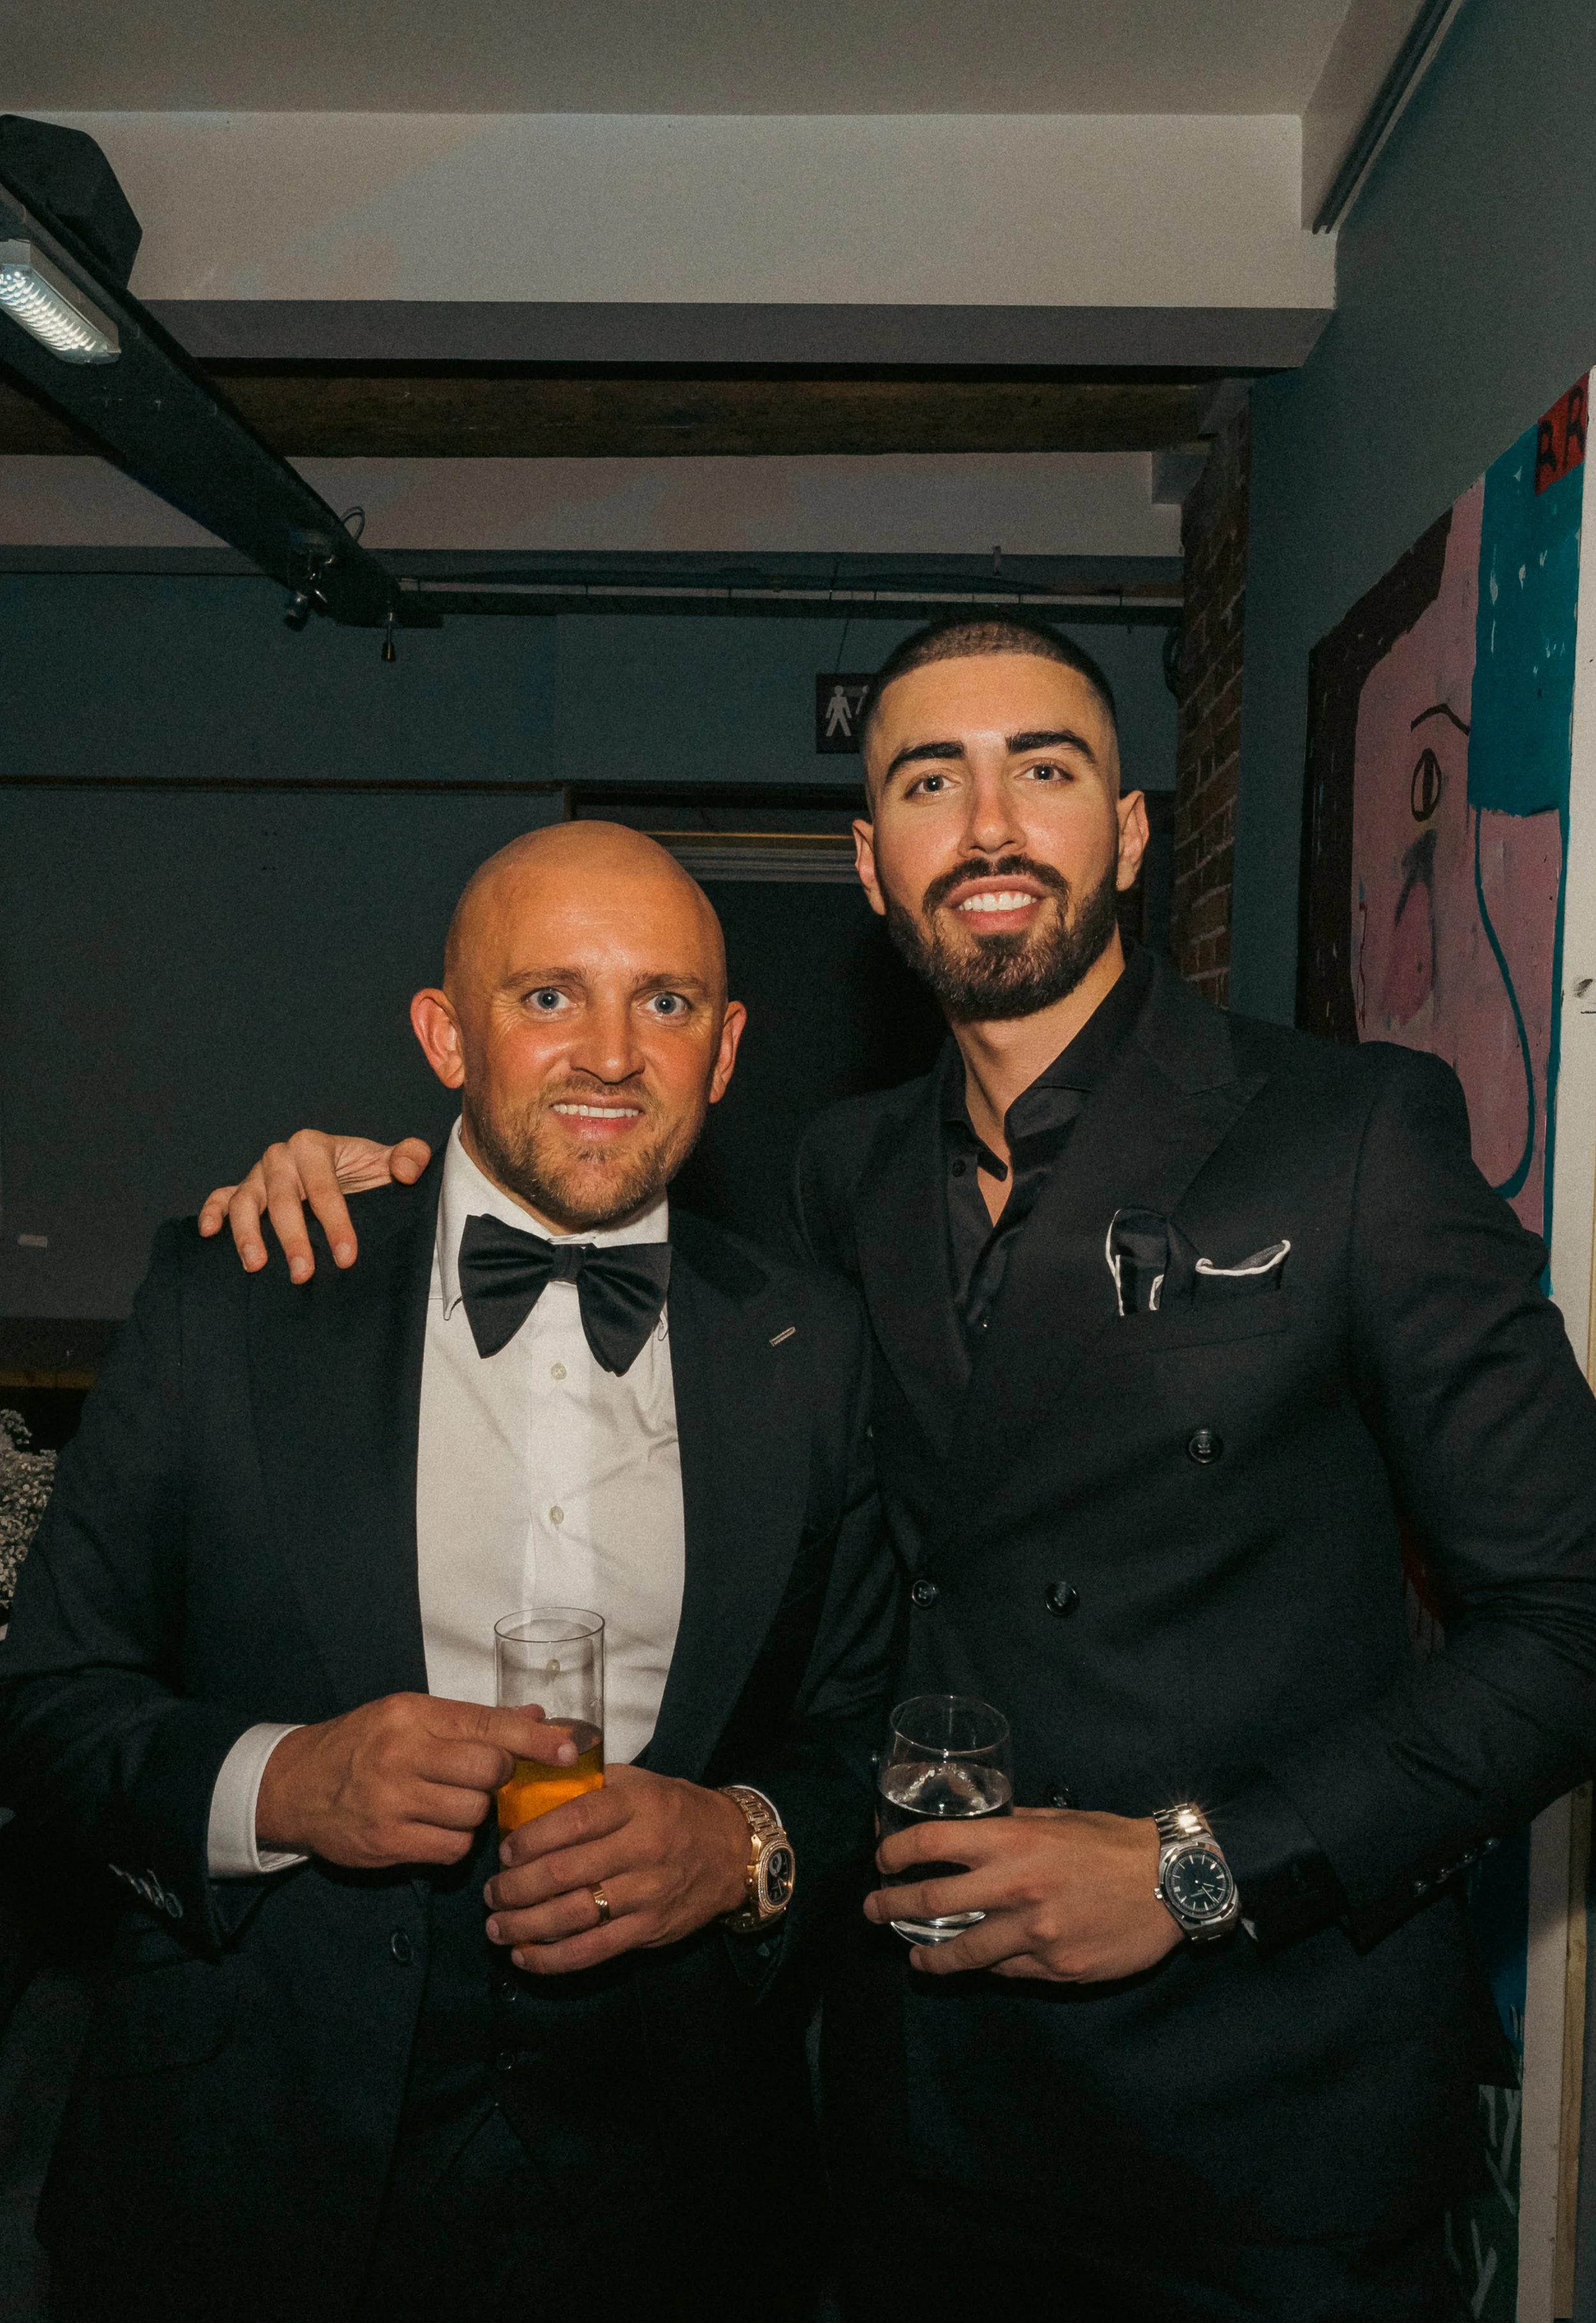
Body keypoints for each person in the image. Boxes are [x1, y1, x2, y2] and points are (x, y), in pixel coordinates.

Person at [192, 617, 1596, 2323]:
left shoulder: (1352, 1132)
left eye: (1047, 768)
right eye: (930, 779)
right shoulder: (828, 1175)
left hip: (1261, 2115)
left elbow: (1568, 1620)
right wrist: (372, 1195)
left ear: (1131, 833)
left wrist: (1195, 1863)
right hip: (916, 2110)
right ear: (870, 862)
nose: (990, 822)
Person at [0, 822, 894, 2323]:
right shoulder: (238, 1299)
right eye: (548, 996)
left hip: (672, 2189)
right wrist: (281, 1786)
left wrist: (738, 1844)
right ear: (443, 1033)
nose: (610, 1053)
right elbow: (45, 1702)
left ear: (726, 1049)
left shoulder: (813, 1346)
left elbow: (866, 1727)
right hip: (249, 2164)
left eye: (665, 1003)